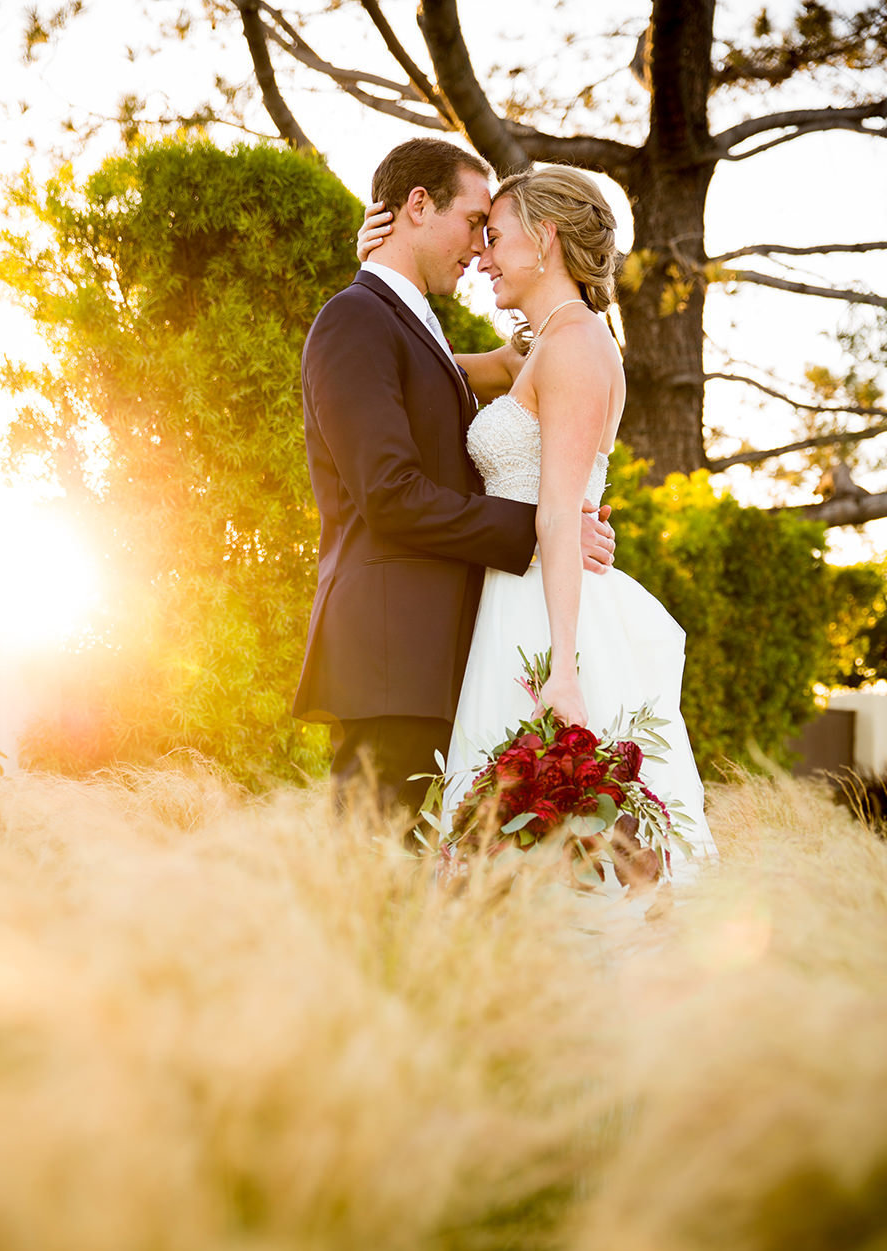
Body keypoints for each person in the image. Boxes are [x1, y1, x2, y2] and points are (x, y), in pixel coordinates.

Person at [359, 165, 715, 863]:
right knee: (505, 843)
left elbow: (556, 516)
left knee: (554, 839)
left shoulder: (579, 345)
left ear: (545, 238)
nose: (481, 255)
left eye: (494, 237)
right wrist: (379, 274)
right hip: (509, 597)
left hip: (546, 612)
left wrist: (563, 669)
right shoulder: (538, 347)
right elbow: (418, 365)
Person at [293, 139, 616, 832]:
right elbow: (391, 497)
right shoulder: (355, 318)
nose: (481, 247)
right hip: (392, 660)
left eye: (495, 233)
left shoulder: (408, 328)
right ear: (417, 205)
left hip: (446, 657)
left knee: (423, 887)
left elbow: (461, 380)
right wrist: (536, 528)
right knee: (373, 882)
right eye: (475, 223)